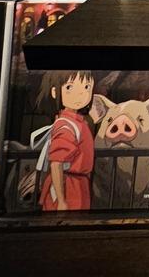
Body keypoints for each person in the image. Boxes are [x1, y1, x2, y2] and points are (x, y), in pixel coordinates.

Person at [37, 70, 96, 212]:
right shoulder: (66, 125)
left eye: (86, 87)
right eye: (70, 87)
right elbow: (56, 164)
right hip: (68, 186)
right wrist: (61, 200)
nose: (80, 93)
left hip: (77, 184)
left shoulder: (76, 122)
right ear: (54, 92)